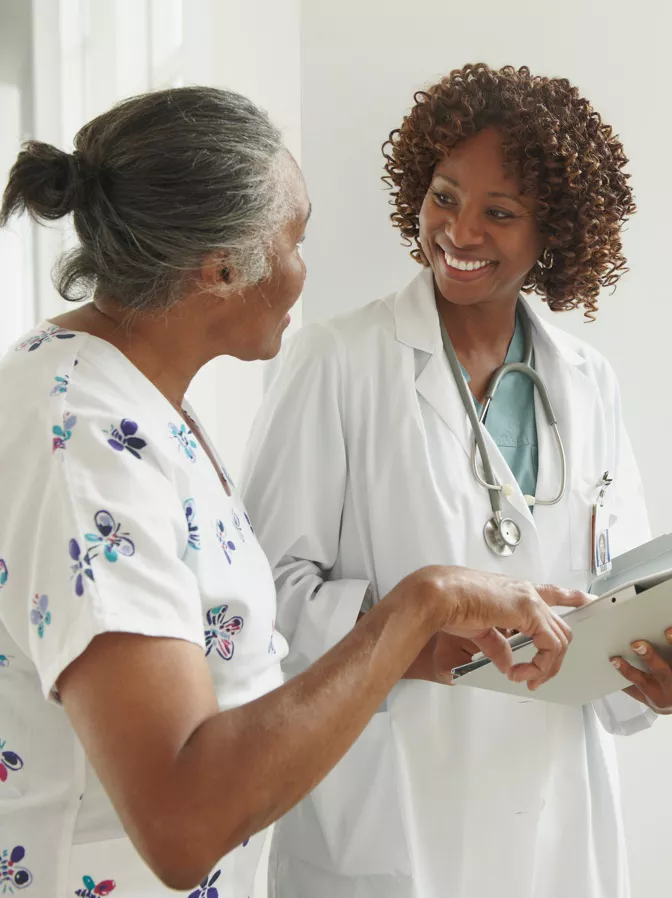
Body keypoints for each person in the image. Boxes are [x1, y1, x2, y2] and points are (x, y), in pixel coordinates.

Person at [0, 86, 584, 898]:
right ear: (223, 266)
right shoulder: (85, 441)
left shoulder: (134, 403)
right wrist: (422, 602)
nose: (303, 273)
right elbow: (181, 825)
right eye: (295, 238)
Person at [242, 64, 672, 898]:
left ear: (556, 230)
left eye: (499, 213)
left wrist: (655, 672)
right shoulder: (339, 361)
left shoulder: (588, 382)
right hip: (389, 805)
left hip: (553, 814)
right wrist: (410, 642)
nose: (458, 232)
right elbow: (263, 599)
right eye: (444, 196)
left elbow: (629, 589)